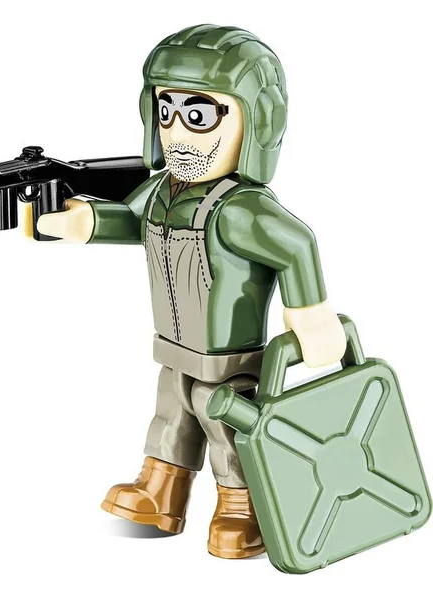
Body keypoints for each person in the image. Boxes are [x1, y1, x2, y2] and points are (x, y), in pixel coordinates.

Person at [36, 24, 346, 559]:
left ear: (255, 120)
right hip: (175, 349)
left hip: (231, 359)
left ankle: (243, 505)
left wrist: (311, 314)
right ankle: (160, 491)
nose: (178, 133)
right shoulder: (162, 192)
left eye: (199, 116)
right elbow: (130, 219)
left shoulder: (241, 208)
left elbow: (296, 244)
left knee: (227, 427)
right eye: (167, 113)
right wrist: (84, 220)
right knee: (171, 418)